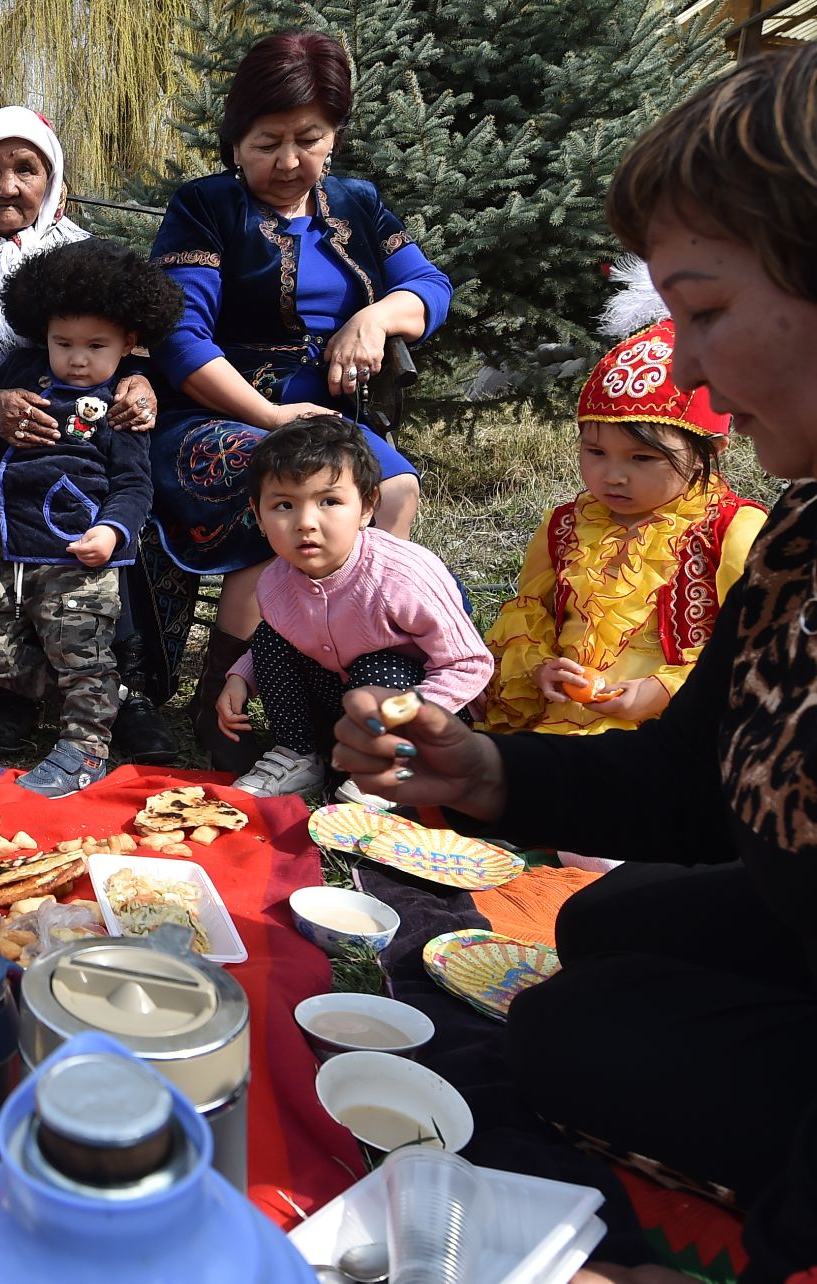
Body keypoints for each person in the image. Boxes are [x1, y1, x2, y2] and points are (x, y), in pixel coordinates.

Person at [333, 46, 817, 1284]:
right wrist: (483, 770)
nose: (692, 372)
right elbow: (693, 777)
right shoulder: (803, 543)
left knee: (567, 1033)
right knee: (598, 926)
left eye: (704, 311)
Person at [149, 29, 453, 772]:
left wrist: (374, 316)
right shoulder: (202, 207)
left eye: (308, 139)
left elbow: (431, 290)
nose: (288, 162)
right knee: (283, 494)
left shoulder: (356, 203)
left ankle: (352, 684)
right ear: (234, 140)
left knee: (395, 488)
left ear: (334, 135)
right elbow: (179, 340)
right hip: (216, 409)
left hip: (325, 415)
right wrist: (269, 417)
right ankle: (220, 700)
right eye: (266, 143)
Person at [0, 106, 172, 763]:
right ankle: (11, 691)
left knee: (102, 501)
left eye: (26, 169)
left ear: (54, 182)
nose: (8, 185)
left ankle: (121, 688)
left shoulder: (79, 255)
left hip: (78, 425)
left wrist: (138, 380)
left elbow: (121, 338)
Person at [0, 239, 180, 796]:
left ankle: (84, 746)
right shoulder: (22, 377)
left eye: (96, 346)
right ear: (42, 333)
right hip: (7, 548)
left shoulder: (122, 405)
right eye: (62, 342)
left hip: (80, 554)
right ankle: (99, 692)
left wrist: (113, 530)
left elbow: (134, 484)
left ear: (129, 343)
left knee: (81, 648)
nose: (77, 358)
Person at [480, 319, 763, 736]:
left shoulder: (732, 531)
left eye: (642, 458)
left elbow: (759, 647)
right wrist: (541, 667)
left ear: (710, 451)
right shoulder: (563, 527)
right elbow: (530, 613)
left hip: (673, 733)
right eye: (595, 451)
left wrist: (666, 689)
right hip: (557, 724)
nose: (613, 476)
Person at [216, 415, 489, 802]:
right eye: (284, 505)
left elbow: (468, 664)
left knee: (376, 665)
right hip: (348, 706)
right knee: (270, 638)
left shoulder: (402, 575)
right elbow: (280, 636)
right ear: (258, 515)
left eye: (329, 501)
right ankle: (298, 755)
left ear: (366, 506)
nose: (306, 523)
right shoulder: (275, 581)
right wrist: (241, 676)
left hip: (424, 708)